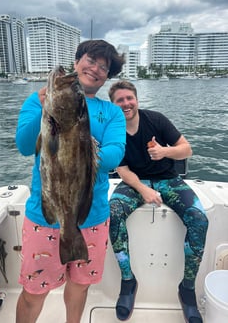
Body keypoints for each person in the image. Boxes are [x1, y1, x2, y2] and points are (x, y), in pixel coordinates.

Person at [15, 40, 126, 323]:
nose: (96, 69)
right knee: (33, 291)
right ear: (78, 61)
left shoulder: (112, 112)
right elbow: (26, 145)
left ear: (108, 76)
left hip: (92, 215)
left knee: (79, 286)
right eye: (91, 60)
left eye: (104, 67)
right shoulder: (37, 100)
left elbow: (114, 156)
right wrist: (44, 109)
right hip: (44, 215)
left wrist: (85, 146)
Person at [108, 80, 208, 322]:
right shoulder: (114, 129)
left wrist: (165, 152)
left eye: (129, 98)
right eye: (119, 100)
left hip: (168, 179)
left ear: (136, 99)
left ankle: (186, 288)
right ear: (113, 105)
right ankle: (128, 281)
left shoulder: (157, 120)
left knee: (199, 218)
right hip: (134, 181)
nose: (125, 103)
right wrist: (143, 189)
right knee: (113, 212)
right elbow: (122, 169)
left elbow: (187, 149)